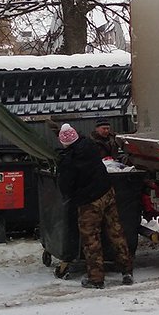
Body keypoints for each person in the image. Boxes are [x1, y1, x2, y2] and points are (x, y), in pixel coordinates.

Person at [57, 123, 133, 289]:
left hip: (89, 201)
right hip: (107, 192)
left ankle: (96, 279)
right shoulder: (90, 146)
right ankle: (126, 271)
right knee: (116, 231)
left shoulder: (68, 159)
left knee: (91, 239)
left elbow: (65, 187)